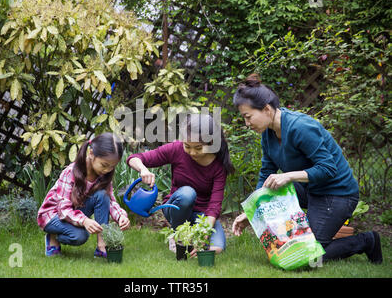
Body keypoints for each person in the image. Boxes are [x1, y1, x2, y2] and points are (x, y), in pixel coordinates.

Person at [231, 74, 382, 264]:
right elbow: (265, 173)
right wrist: (252, 212)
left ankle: (367, 241)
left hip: (337, 193)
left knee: (310, 258)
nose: (247, 123)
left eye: (248, 117)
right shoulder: (267, 134)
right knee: (274, 189)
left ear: (267, 109)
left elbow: (328, 169)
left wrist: (288, 176)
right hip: (311, 190)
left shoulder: (300, 127)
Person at [127, 113, 235, 256]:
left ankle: (191, 238)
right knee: (187, 194)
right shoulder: (176, 149)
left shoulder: (218, 166)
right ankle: (177, 235)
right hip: (176, 207)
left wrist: (203, 236)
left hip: (201, 215)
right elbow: (134, 158)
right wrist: (143, 169)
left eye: (198, 148)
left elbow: (214, 205)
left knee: (217, 248)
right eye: (187, 146)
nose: (192, 152)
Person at [37, 132, 130, 257]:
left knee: (103, 195)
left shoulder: (103, 175)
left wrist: (120, 217)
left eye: (112, 167)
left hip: (75, 211)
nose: (107, 170)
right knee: (80, 236)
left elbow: (111, 201)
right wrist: (84, 221)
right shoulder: (71, 172)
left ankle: (102, 247)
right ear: (91, 153)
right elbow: (63, 209)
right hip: (52, 215)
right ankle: (53, 236)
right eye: (104, 165)